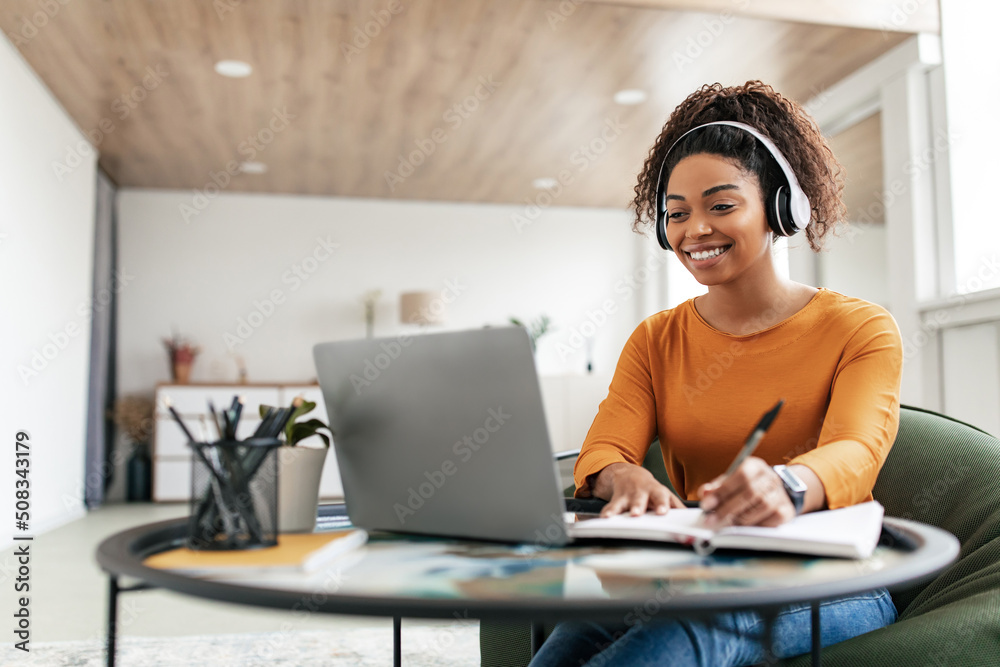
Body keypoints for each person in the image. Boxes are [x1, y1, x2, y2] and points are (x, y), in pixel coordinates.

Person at [529, 80, 903, 667]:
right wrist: (618, 477)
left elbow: (857, 449)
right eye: (676, 214)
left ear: (782, 207)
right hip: (699, 572)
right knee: (565, 649)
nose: (695, 230)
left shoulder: (861, 328)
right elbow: (604, 446)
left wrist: (787, 485)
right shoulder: (655, 339)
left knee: (682, 636)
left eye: (721, 205)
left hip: (833, 581)